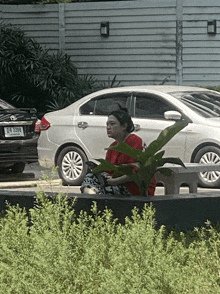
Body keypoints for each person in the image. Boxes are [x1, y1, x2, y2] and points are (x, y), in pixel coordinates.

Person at [80, 106, 156, 196]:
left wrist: (116, 181)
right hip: (116, 184)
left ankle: (92, 202)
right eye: (107, 124)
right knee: (91, 176)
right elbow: (108, 170)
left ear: (124, 126)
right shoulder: (112, 147)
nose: (108, 127)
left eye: (112, 124)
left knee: (100, 191)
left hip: (135, 188)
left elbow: (138, 171)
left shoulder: (135, 141)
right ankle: (91, 200)